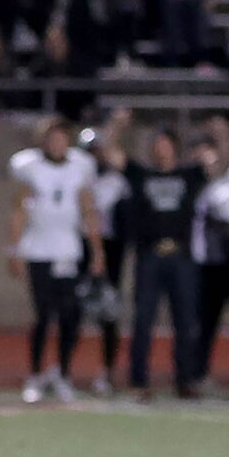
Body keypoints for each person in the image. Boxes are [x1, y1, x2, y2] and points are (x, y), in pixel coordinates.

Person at [8, 116, 103, 404]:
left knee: (70, 315)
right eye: (52, 138)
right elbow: (19, 212)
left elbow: (88, 211)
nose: (57, 143)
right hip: (38, 249)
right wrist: (14, 250)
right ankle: (35, 375)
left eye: (61, 138)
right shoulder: (30, 168)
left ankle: (62, 373)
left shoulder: (79, 168)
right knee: (42, 315)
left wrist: (97, 250)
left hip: (68, 249)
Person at [125, 127, 206, 401]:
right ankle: (139, 381)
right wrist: (117, 125)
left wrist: (220, 135)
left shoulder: (188, 176)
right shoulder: (141, 175)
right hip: (150, 255)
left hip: (181, 256)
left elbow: (217, 163)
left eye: (165, 143)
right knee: (143, 320)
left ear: (174, 147)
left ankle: (185, 380)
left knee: (185, 321)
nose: (161, 149)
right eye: (156, 144)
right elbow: (112, 154)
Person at [192, 121, 229, 386]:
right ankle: (198, 374)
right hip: (210, 265)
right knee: (205, 322)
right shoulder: (197, 184)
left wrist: (223, 135)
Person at [89, 112, 135, 396]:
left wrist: (115, 128)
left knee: (109, 311)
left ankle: (106, 369)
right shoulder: (78, 178)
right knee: (72, 309)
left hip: (111, 249)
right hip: (80, 247)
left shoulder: (117, 181)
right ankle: (62, 369)